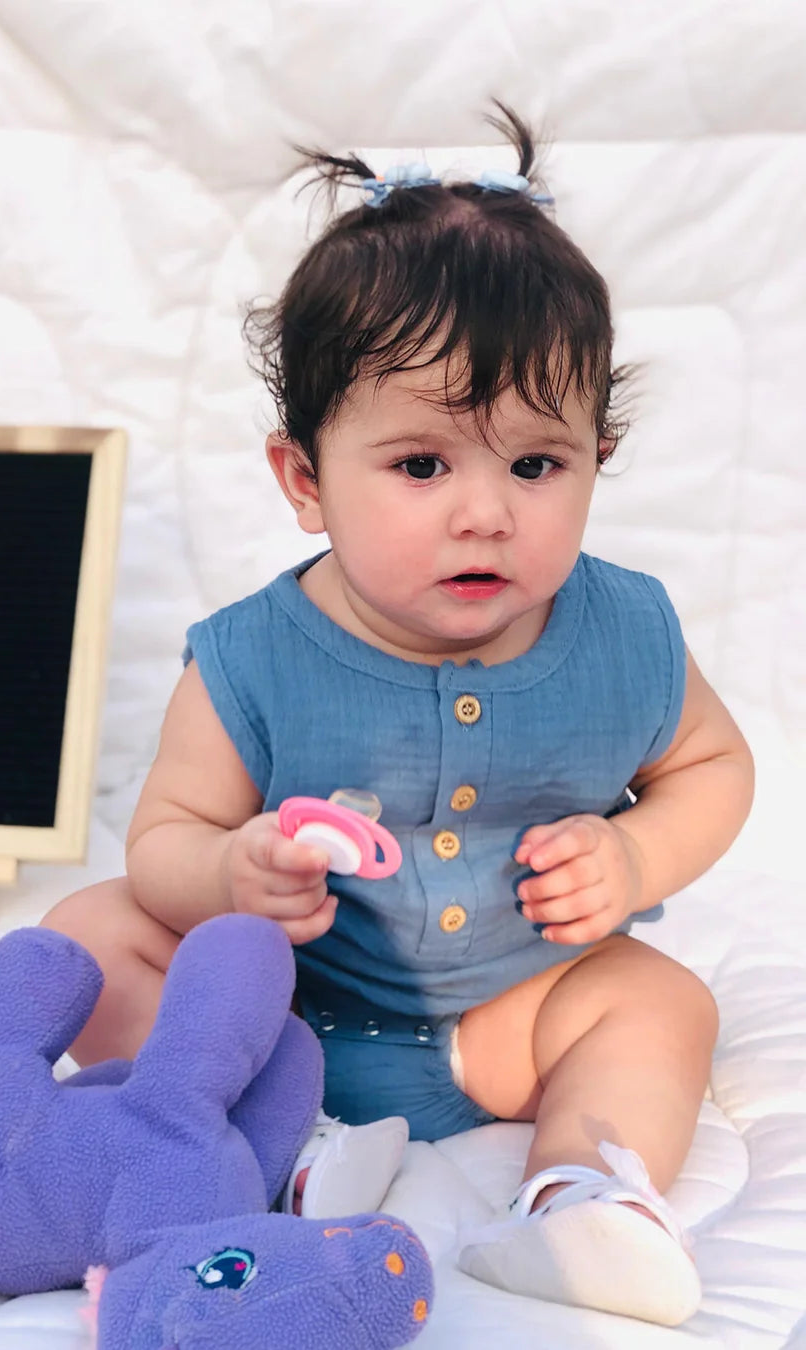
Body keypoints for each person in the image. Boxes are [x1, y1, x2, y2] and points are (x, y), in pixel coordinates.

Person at [41, 103, 754, 1325]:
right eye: (422, 465)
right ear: (304, 480)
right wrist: (230, 871)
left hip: (515, 1017)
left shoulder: (627, 631)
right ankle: (282, 1142)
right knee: (91, 936)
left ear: (600, 454)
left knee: (661, 1004)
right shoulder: (254, 656)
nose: (486, 513)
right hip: (281, 1015)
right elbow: (162, 839)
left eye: (536, 464)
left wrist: (637, 854)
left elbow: (713, 766)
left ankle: (582, 1196)